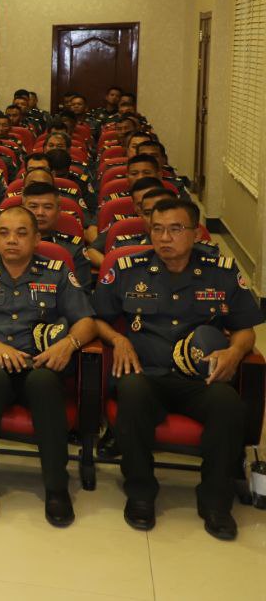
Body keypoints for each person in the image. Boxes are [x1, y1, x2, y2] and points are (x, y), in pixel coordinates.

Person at [92, 198, 262, 540]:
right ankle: (140, 493)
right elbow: (97, 319)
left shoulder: (221, 271)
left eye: (175, 229)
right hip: (146, 372)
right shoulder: (127, 268)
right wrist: (118, 339)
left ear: (196, 233)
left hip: (201, 378)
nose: (164, 237)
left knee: (228, 405)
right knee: (131, 392)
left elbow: (245, 329)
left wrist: (235, 351)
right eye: (157, 229)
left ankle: (215, 502)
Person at [0, 206, 96, 526]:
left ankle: (56, 487)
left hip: (38, 361)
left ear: (37, 238)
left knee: (44, 384)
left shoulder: (56, 271)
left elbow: (86, 321)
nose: (11, 240)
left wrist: (68, 344)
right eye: (4, 233)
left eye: (21, 233)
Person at [21, 182, 94, 287]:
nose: (40, 212)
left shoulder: (73, 247)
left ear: (58, 212)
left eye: (47, 207)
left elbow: (83, 290)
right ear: (22, 210)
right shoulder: (9, 244)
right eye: (33, 206)